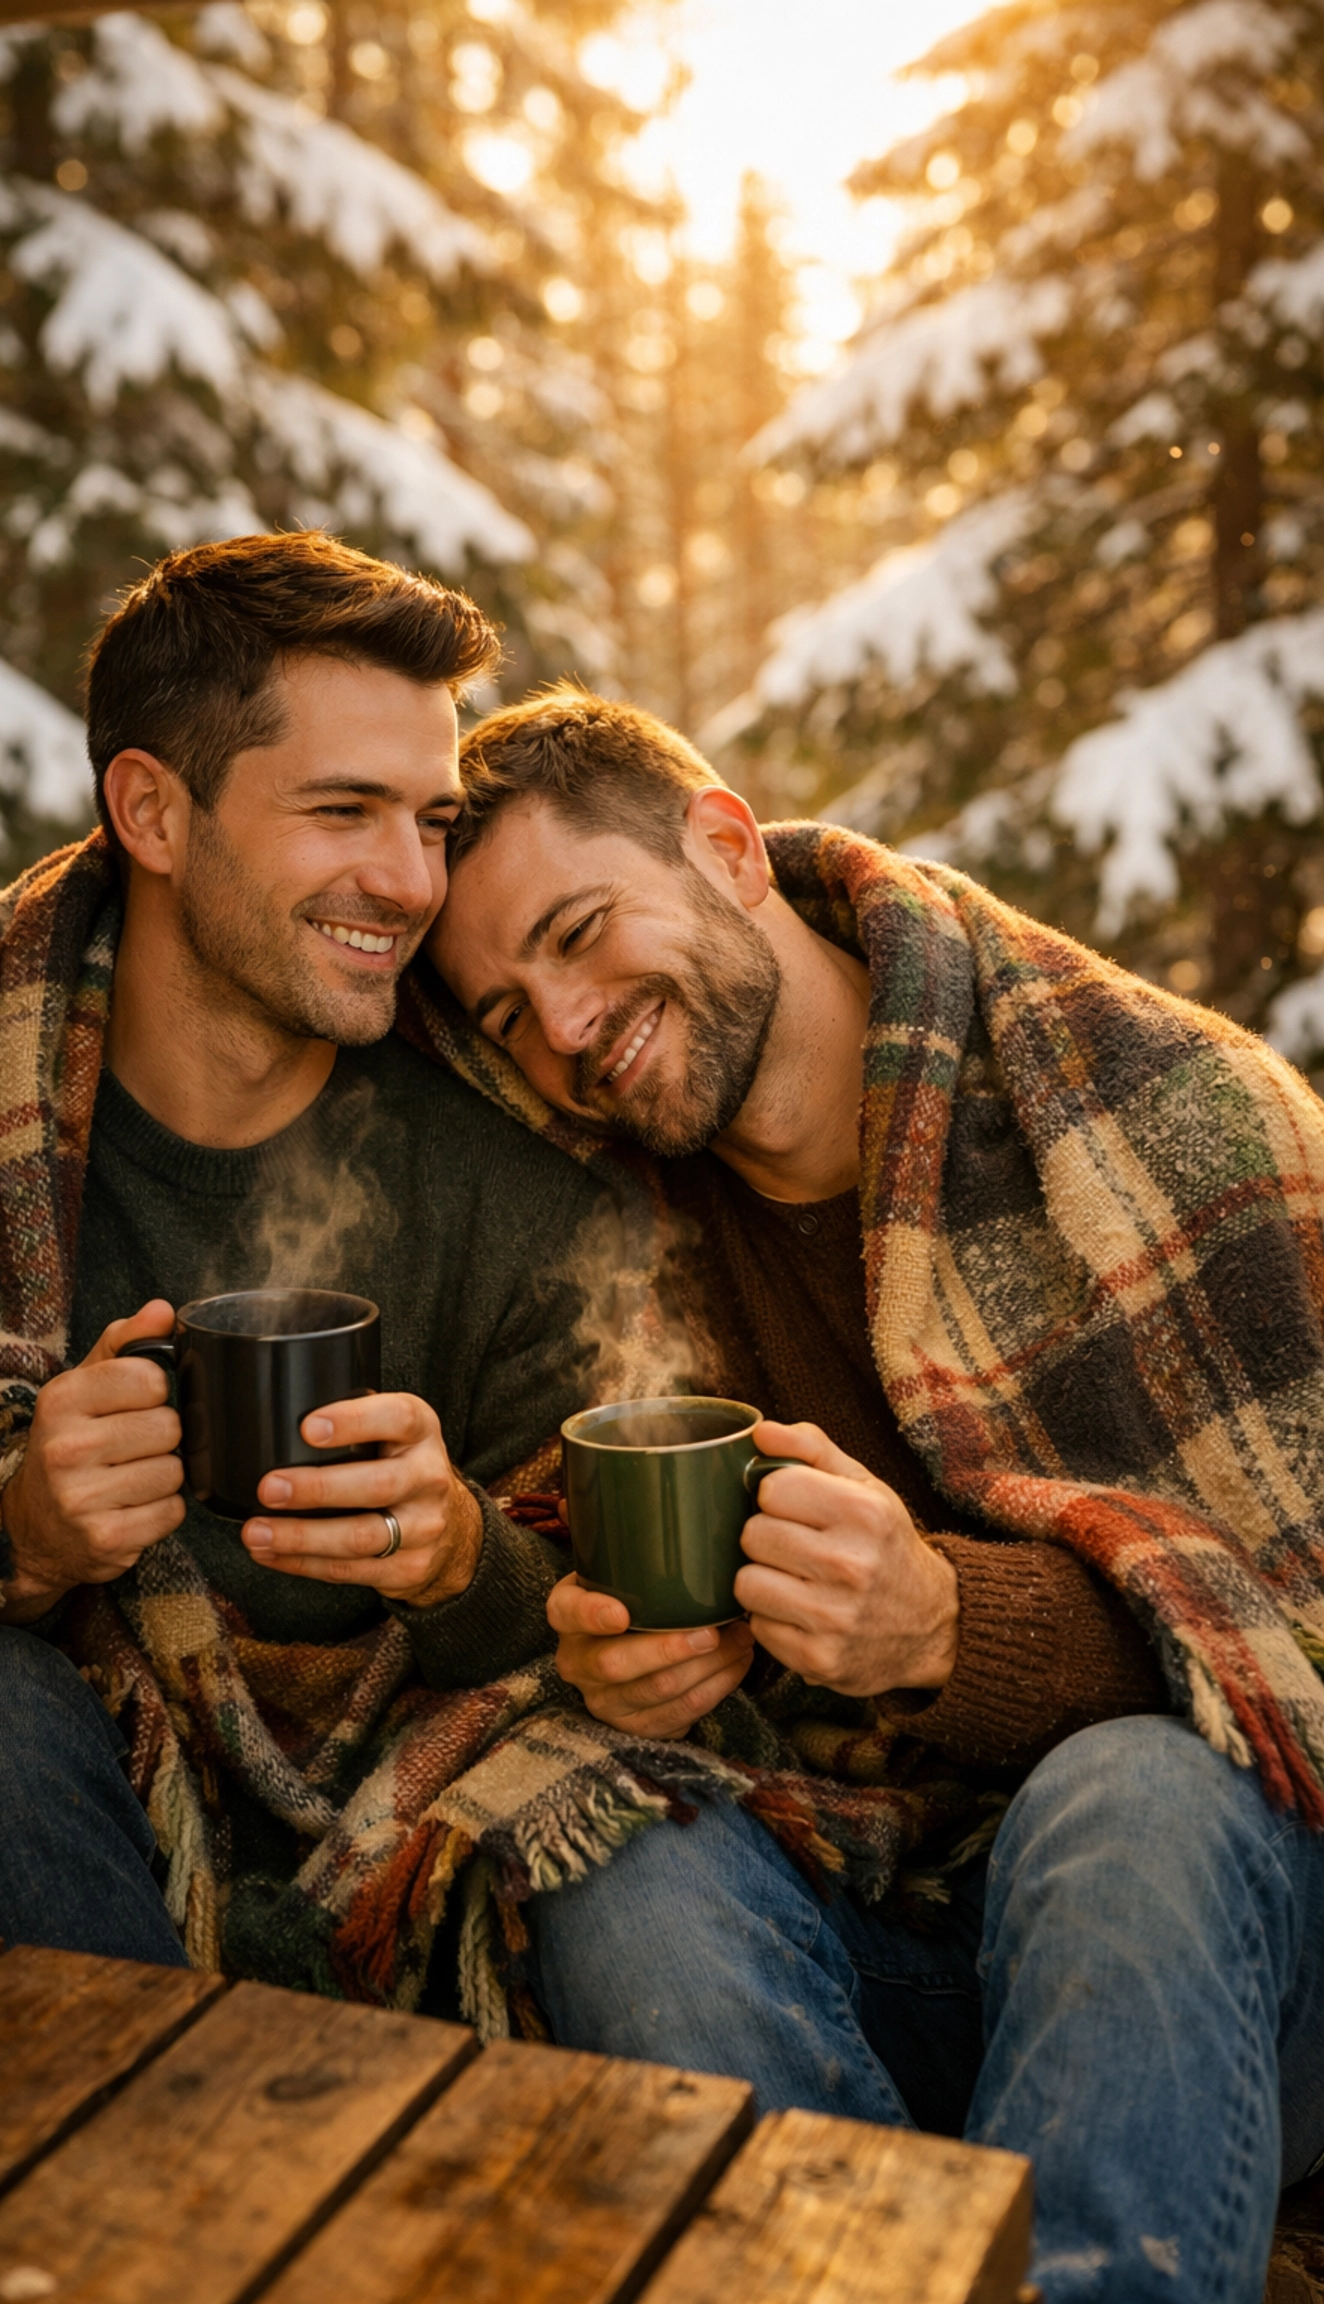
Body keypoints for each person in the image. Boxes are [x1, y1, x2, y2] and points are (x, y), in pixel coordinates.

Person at [426, 685, 1324, 2304]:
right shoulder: (608, 1233)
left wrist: (941, 1625)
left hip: (1233, 1949)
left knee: (1129, 1794)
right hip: (895, 1925)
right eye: (505, 1013)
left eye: (578, 931)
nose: (563, 1030)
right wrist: (639, 1666)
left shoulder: (1165, 1115)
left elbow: (1295, 1653)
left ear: (723, 846)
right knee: (617, 1856)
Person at [0, 534, 609, 1981]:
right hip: (56, 1825)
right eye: (345, 811)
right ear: (154, 815)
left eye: (430, 818)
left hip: (412, 1856)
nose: (410, 880)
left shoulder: (506, 1176)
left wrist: (461, 1552)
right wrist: (24, 1547)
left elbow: (615, 1622)